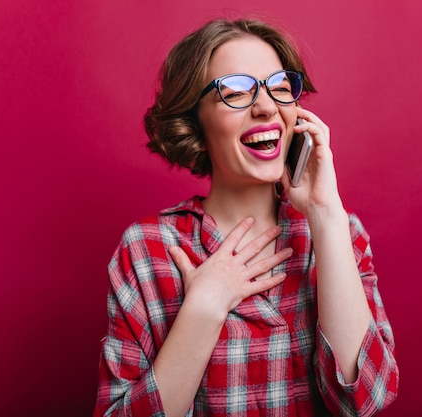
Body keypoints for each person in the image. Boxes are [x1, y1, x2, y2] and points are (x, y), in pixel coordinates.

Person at [93, 17, 398, 417]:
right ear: (194, 120)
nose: (266, 107)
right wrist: (203, 310)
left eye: (280, 88)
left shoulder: (339, 231)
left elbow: (365, 401)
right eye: (235, 92)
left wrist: (325, 215)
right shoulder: (149, 249)